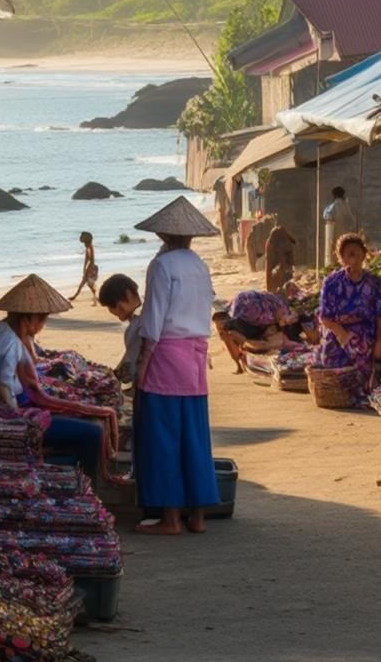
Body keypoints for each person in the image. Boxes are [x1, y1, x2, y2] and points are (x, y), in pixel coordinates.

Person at [132, 198, 223, 534]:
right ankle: (197, 515)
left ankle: (170, 517)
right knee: (194, 435)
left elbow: (153, 319)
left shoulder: (162, 266)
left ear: (163, 234)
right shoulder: (199, 264)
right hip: (195, 354)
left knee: (164, 436)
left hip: (167, 354)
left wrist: (143, 362)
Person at [0, 275, 120, 484]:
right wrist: (22, 426)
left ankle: (75, 474)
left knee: (82, 417)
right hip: (10, 415)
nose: (42, 325)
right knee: (93, 432)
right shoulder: (9, 344)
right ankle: (88, 486)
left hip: (14, 406)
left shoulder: (2, 329)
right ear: (29, 318)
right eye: (41, 320)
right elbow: (1, 386)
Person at [313, 232, 381, 388]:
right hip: (337, 331)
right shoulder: (332, 282)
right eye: (349, 255)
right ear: (341, 258)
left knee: (362, 354)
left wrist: (380, 343)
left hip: (364, 332)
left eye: (357, 253)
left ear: (364, 255)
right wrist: (342, 335)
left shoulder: (375, 283)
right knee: (332, 365)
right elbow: (325, 317)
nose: (354, 259)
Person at [214, 285, 308, 369]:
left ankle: (238, 365)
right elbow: (282, 321)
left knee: (228, 332)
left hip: (241, 313)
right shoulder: (280, 304)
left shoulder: (271, 298)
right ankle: (239, 361)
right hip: (248, 319)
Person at [99, 273, 144, 383]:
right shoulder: (153, 308)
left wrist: (108, 379)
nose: (121, 318)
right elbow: (131, 353)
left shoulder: (136, 325)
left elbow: (129, 369)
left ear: (128, 295)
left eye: (119, 310)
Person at [321, 186, 358, 266]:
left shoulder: (335, 205)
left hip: (336, 231)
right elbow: (351, 219)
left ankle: (334, 264)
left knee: (335, 249)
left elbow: (327, 215)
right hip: (346, 232)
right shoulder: (346, 205)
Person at [263, 220, 298, 293]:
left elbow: (292, 261)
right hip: (279, 268)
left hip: (282, 270)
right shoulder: (271, 243)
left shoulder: (274, 241)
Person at [71, 231, 100, 305]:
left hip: (91, 267)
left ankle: (95, 299)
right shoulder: (88, 247)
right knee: (86, 283)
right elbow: (86, 259)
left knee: (86, 283)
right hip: (90, 267)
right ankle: (95, 298)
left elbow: (92, 260)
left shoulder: (90, 247)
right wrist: (84, 268)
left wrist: (88, 271)